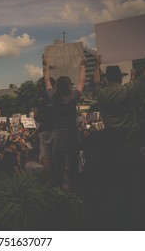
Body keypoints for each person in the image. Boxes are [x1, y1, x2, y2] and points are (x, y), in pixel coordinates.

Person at [93, 51, 145, 224]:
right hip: (128, 138)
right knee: (129, 170)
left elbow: (96, 81)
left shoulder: (102, 93)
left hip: (110, 137)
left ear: (108, 78)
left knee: (113, 171)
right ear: (120, 78)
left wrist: (97, 65)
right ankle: (130, 205)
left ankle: (114, 204)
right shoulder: (127, 91)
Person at [44, 54, 86, 190]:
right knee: (74, 163)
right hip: (73, 134)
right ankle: (75, 187)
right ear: (68, 87)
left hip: (59, 135)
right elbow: (81, 83)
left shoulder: (53, 99)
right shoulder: (73, 97)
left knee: (59, 164)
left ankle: (58, 187)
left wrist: (46, 66)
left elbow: (47, 83)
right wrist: (83, 65)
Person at [36, 76, 55, 185]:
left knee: (46, 156)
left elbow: (35, 114)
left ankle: (48, 181)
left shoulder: (39, 98)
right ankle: (58, 179)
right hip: (55, 127)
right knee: (56, 154)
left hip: (43, 129)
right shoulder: (54, 96)